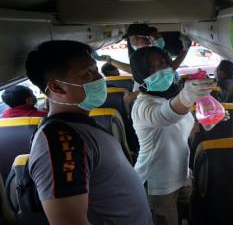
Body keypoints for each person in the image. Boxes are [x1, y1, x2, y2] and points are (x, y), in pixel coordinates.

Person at [25, 40, 152, 225]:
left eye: (96, 70)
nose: (100, 79)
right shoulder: (59, 141)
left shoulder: (79, 126)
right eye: (88, 74)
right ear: (57, 87)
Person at [130, 46, 215, 225]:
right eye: (150, 68)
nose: (159, 69)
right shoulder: (142, 106)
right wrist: (186, 97)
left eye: (162, 62)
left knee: (185, 216)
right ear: (141, 74)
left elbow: (182, 127)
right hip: (158, 183)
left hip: (183, 173)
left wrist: (209, 121)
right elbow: (164, 116)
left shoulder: (170, 98)